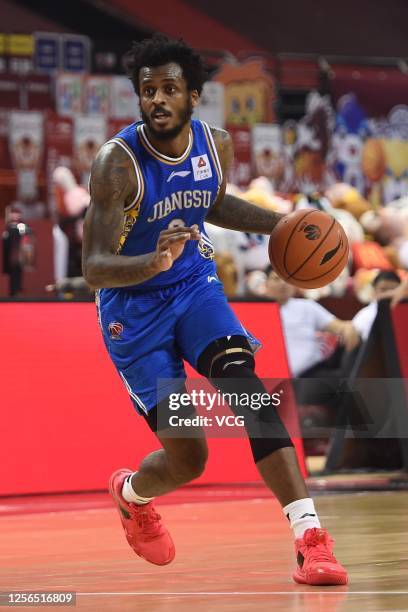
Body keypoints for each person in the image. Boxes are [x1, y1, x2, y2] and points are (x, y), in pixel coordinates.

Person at [82, 34, 347, 586]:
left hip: (194, 288)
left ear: (194, 96)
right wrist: (150, 264)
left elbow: (214, 202)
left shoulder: (214, 144)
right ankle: (133, 496)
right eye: (147, 90)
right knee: (190, 458)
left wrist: (279, 224)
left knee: (247, 389)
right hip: (133, 314)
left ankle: (310, 539)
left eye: (169, 88)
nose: (157, 99)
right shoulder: (117, 164)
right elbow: (95, 266)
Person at [353, 270, 401, 342]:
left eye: (393, 290)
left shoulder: (404, 313)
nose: (388, 294)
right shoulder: (364, 315)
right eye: (383, 290)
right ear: (374, 291)